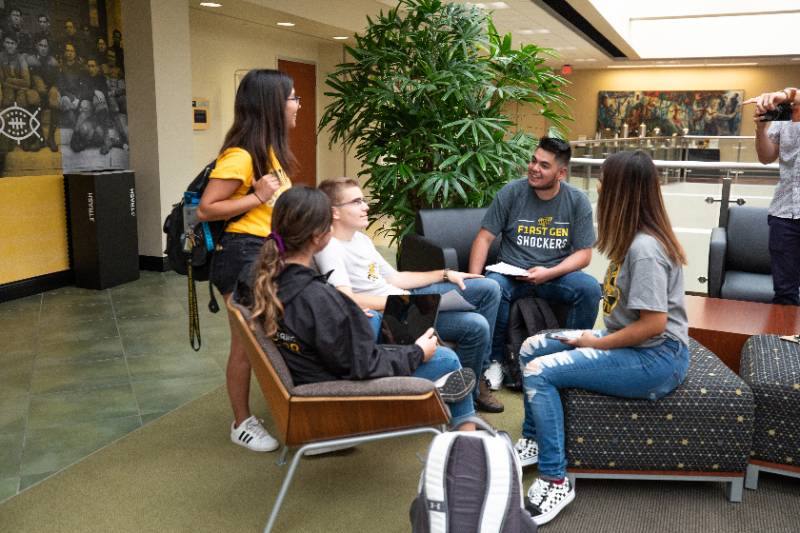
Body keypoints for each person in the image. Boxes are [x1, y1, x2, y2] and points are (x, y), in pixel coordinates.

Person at [515, 150, 691, 525]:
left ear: (620, 192)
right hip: (632, 343)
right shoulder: (632, 240)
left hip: (656, 358)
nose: (597, 187)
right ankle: (533, 440)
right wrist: (592, 338)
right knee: (532, 347)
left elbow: (653, 325)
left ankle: (555, 480)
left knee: (540, 372)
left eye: (604, 181)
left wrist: (593, 343)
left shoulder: (645, 250)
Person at [237, 187, 478, 432]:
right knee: (446, 359)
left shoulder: (259, 279)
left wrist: (346, 318)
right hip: (336, 395)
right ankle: (467, 438)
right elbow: (364, 366)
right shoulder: (317, 299)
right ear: (320, 236)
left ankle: (455, 420)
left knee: (389, 333)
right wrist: (417, 353)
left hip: (311, 376)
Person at [315, 177, 505, 413]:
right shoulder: (329, 247)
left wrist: (445, 274)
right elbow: (346, 298)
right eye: (356, 202)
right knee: (476, 326)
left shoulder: (361, 239)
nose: (366, 206)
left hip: (405, 301)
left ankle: (474, 385)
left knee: (488, 287)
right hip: (394, 313)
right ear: (334, 212)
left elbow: (395, 278)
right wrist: (407, 304)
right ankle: (465, 398)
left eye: (363, 200)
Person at [196, 69, 298, 452]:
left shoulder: (270, 153)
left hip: (268, 254)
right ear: (272, 104)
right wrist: (256, 197)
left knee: (269, 337)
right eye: (292, 98)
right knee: (247, 345)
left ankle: (294, 406)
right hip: (241, 255)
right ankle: (241, 423)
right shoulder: (240, 156)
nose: (298, 105)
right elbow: (206, 209)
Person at [468, 136, 601, 387]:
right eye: (533, 161)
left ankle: (570, 358)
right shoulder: (511, 192)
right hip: (511, 274)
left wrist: (549, 273)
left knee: (590, 289)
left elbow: (584, 254)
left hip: (555, 275)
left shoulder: (577, 200)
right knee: (492, 287)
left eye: (544, 165)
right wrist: (475, 280)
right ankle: (495, 362)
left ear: (561, 173)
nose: (534, 168)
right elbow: (484, 238)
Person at [745, 87, 800, 306]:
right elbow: (766, 157)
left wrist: (786, 94)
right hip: (784, 213)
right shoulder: (784, 113)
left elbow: (793, 94)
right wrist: (761, 129)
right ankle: (784, 330)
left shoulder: (789, 99)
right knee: (785, 292)